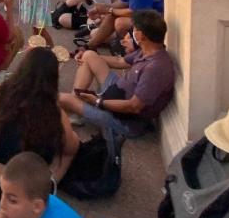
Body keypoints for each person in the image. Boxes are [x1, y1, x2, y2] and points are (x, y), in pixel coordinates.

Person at [0, 48, 79, 212]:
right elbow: (70, 148)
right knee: (73, 143)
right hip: (22, 203)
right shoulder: (54, 112)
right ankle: (51, 186)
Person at [60, 9, 174, 137]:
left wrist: (98, 102)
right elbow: (120, 61)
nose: (132, 32)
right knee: (89, 55)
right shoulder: (149, 50)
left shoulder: (155, 69)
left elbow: (134, 107)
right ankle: (77, 109)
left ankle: (75, 108)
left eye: (134, 30)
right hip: (116, 92)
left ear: (141, 36)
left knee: (61, 98)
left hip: (123, 120)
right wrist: (87, 57)